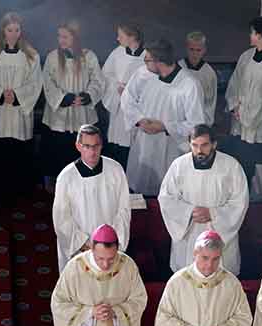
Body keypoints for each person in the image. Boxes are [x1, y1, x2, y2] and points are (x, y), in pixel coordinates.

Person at [158, 125, 248, 275]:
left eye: (205, 145)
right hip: (189, 232)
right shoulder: (179, 166)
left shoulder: (231, 166)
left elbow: (240, 201)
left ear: (214, 144)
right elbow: (167, 198)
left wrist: (213, 213)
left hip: (220, 233)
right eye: (195, 145)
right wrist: (189, 212)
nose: (199, 151)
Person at [0, 12, 43, 206]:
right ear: (2, 30)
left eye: (17, 30)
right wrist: (0, 95)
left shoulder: (31, 55)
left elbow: (36, 83)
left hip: (18, 113)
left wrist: (19, 95)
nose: (13, 34)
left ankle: (19, 196)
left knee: (19, 154)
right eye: (9, 29)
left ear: (22, 31)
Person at [121, 38, 205, 196]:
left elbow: (197, 124)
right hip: (143, 146)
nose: (145, 63)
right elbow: (128, 98)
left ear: (158, 61)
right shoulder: (145, 75)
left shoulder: (189, 84)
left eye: (147, 60)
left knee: (166, 193)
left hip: (169, 150)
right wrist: (139, 120)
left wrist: (165, 126)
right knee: (139, 191)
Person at [53, 124, 131, 269]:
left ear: (102, 145)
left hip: (110, 249)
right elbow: (62, 218)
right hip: (80, 250)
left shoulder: (115, 170)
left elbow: (124, 209)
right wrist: (84, 244)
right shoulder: (66, 177)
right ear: (78, 146)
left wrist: (111, 243)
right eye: (87, 146)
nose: (92, 151)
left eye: (96, 146)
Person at [42, 20, 105, 187]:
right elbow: (47, 82)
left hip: (81, 113)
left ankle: (82, 185)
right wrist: (64, 98)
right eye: (59, 36)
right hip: (59, 116)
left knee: (80, 152)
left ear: (76, 38)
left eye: (65, 36)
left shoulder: (88, 56)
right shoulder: (52, 57)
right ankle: (58, 187)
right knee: (58, 152)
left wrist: (87, 96)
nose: (60, 40)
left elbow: (98, 80)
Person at [223, 16, 262, 182]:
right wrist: (234, 105)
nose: (249, 35)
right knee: (234, 164)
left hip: (255, 129)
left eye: (252, 32)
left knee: (248, 170)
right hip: (238, 122)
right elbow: (235, 81)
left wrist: (243, 115)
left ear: (260, 35)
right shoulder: (247, 55)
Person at [101, 22, 146, 169]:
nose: (117, 39)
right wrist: (117, 87)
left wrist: (132, 91)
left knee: (135, 148)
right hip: (119, 107)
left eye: (120, 36)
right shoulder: (117, 52)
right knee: (118, 146)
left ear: (132, 37)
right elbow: (106, 75)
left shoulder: (148, 56)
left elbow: (153, 81)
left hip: (138, 109)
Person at [180, 31, 218, 126]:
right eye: (191, 49)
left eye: (198, 50)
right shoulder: (178, 68)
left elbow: (210, 103)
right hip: (180, 122)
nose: (194, 54)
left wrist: (205, 124)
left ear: (204, 50)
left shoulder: (209, 73)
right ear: (186, 49)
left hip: (200, 122)